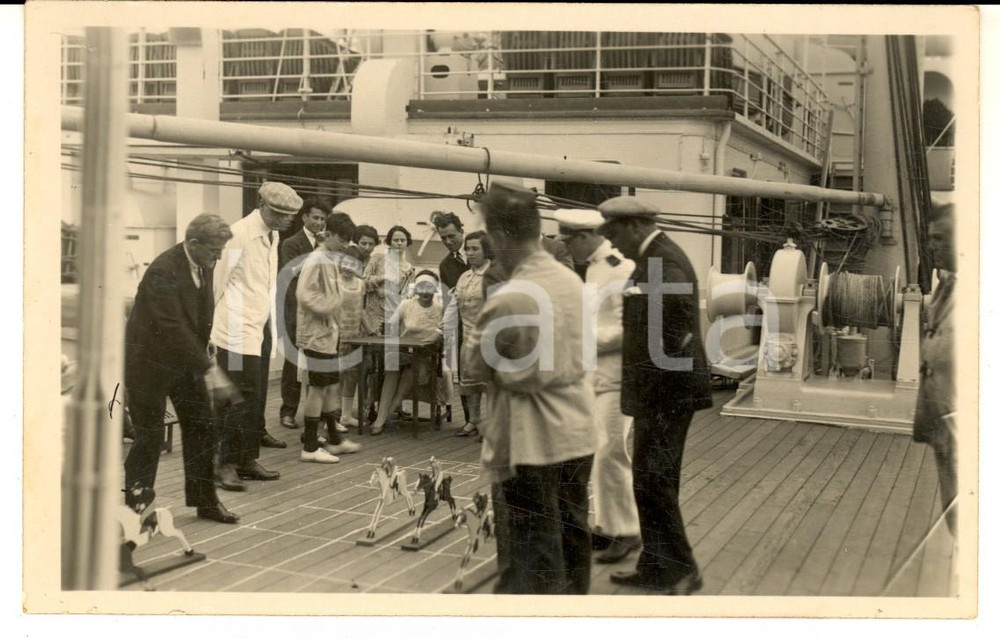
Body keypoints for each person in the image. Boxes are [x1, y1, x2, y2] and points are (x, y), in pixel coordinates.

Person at [463, 181, 599, 595]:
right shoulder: (571, 281)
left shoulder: (511, 298)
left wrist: (505, 370)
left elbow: (473, 367)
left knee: (531, 553)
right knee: (573, 535)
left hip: (531, 441)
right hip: (578, 432)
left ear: (501, 236)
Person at [597, 196, 713, 595]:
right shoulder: (655, 258)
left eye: (613, 234)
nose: (613, 244)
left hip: (666, 395)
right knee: (650, 481)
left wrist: (650, 392)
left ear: (634, 226)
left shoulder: (662, 261)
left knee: (655, 482)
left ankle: (682, 571)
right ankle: (656, 566)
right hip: (662, 392)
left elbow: (672, 335)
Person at [124, 214, 241, 524]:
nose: (218, 256)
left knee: (203, 426)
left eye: (220, 251)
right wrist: (211, 370)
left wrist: (206, 343)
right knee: (149, 437)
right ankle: (133, 506)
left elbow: (200, 310)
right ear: (192, 243)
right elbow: (172, 326)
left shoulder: (206, 261)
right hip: (148, 364)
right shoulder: (163, 270)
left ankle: (205, 502)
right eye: (214, 250)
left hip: (185, 360)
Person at [554, 208, 641, 564]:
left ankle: (628, 531)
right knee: (599, 453)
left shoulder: (622, 268)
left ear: (585, 236)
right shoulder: (592, 268)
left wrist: (585, 339)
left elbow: (630, 329)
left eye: (568, 241)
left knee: (611, 454)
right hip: (593, 378)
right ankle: (608, 526)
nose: (566, 248)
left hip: (618, 378)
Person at [212, 181, 299, 492]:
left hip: (258, 326)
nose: (287, 221)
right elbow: (216, 283)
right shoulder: (238, 235)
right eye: (281, 214)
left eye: (289, 216)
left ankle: (246, 459)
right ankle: (223, 464)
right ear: (262, 206)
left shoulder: (271, 235)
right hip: (234, 329)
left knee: (256, 396)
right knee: (234, 398)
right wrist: (211, 329)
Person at [295, 212, 364, 463]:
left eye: (349, 240)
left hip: (327, 334)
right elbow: (304, 295)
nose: (346, 244)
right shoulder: (316, 260)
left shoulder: (329, 258)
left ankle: (334, 439)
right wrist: (331, 307)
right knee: (318, 388)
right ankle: (311, 447)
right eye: (343, 239)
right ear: (330, 234)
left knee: (330, 386)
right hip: (316, 334)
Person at [914, 200, 957, 535]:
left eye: (941, 238)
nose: (932, 245)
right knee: (954, 510)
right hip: (943, 426)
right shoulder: (948, 286)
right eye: (931, 238)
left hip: (965, 428)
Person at [369, 270, 444, 436]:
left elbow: (441, 336)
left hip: (425, 356)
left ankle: (389, 412)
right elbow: (390, 326)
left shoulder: (440, 309)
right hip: (403, 352)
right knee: (392, 370)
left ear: (434, 289)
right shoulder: (406, 305)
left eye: (429, 287)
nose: (424, 292)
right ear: (416, 289)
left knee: (412, 371)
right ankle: (381, 418)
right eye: (421, 287)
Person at [277, 199, 328, 430]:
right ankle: (287, 411)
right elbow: (292, 272)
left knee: (316, 360)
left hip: (318, 311)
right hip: (296, 309)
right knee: (293, 362)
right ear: (304, 217)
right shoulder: (291, 242)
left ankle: (315, 412)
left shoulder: (327, 244)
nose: (319, 222)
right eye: (315, 217)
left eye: (322, 219)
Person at [443, 230, 493, 437]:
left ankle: (491, 426)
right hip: (468, 337)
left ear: (486, 250)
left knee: (490, 385)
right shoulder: (465, 276)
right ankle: (474, 420)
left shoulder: (494, 274)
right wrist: (442, 329)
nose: (470, 253)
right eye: (468, 249)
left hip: (489, 338)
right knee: (470, 383)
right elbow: (453, 306)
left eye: (475, 249)